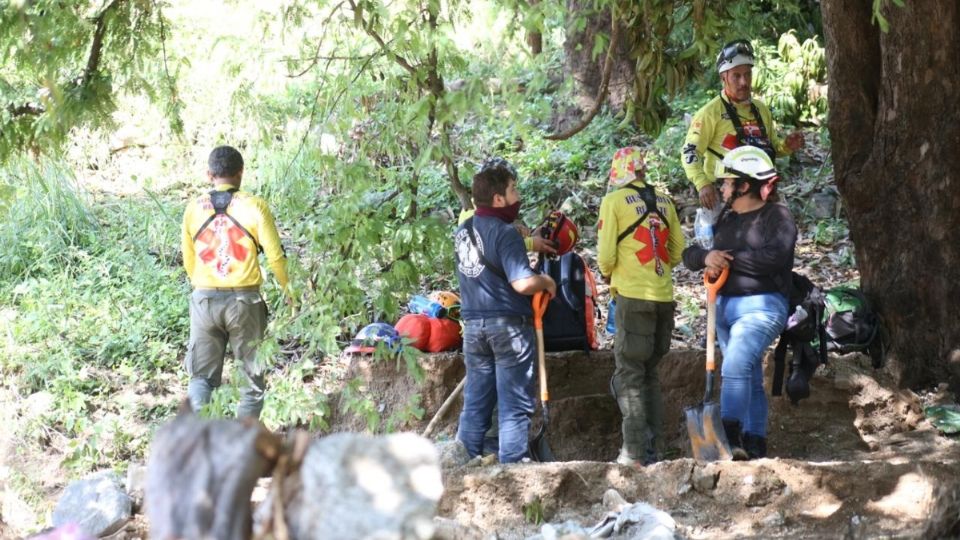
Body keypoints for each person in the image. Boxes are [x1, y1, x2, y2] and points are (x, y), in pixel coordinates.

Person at [681, 145, 797, 459]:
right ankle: (755, 443)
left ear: (745, 185)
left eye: (728, 182)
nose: (722, 187)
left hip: (762, 307)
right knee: (748, 375)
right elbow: (690, 254)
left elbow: (774, 258)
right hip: (723, 310)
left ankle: (728, 437)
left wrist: (727, 261)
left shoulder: (778, 216)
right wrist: (707, 256)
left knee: (734, 364)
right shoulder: (726, 219)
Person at [453, 157, 557, 463]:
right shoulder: (506, 233)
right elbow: (522, 283)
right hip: (508, 328)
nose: (518, 196)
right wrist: (546, 280)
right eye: (513, 190)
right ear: (498, 199)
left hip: (473, 328)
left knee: (476, 403)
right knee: (514, 406)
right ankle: (512, 471)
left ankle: (461, 465)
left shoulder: (463, 230)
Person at [180, 145, 291, 419]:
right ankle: (244, 447)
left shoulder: (193, 209)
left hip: (204, 300)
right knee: (251, 382)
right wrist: (289, 290)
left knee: (201, 379)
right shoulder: (255, 206)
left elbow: (189, 260)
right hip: (245, 302)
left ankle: (197, 440)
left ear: (209, 174)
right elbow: (276, 257)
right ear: (240, 173)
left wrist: (204, 287)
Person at [597, 146, 685, 466]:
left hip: (633, 299)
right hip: (663, 298)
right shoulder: (665, 201)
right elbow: (676, 252)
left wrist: (611, 274)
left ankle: (633, 453)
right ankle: (656, 450)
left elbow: (606, 257)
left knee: (629, 374)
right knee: (649, 374)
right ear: (642, 171)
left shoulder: (614, 201)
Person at [681, 39, 804, 210]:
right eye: (736, 76)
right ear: (724, 78)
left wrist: (787, 146)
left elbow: (771, 148)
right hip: (725, 196)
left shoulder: (761, 109)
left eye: (747, 74)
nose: (744, 82)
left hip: (761, 192)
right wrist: (702, 184)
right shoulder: (710, 113)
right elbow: (690, 151)